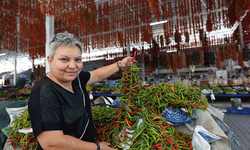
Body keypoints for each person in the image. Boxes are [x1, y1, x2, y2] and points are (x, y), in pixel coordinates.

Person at [28, 31, 135, 150]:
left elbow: (97, 75)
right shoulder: (44, 92)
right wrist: (97, 147)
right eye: (64, 59)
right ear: (50, 61)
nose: (73, 66)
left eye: (77, 59)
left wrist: (120, 64)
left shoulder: (76, 79)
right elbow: (52, 143)